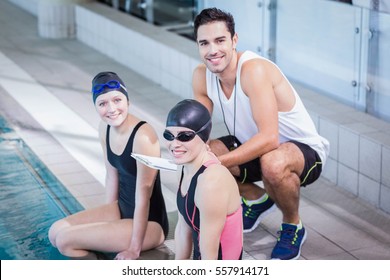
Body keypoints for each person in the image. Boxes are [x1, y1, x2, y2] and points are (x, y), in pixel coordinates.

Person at [192, 8, 330, 260]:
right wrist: (183, 146)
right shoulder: (202, 76)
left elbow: (269, 138)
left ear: (234, 40)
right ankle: (256, 199)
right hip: (254, 147)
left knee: (271, 162)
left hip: (300, 151)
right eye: (205, 43)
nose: (213, 50)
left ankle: (292, 225)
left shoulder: (253, 70)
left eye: (220, 40)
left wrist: (216, 164)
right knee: (203, 151)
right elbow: (197, 134)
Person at [48, 71, 169, 260]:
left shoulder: (143, 137)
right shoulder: (104, 128)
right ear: (96, 107)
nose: (111, 109)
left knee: (65, 241)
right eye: (102, 104)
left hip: (149, 224)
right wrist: (107, 224)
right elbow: (112, 175)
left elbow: (144, 195)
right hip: (121, 210)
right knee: (55, 232)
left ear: (127, 101)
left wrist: (134, 249)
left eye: (117, 100)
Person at [164, 99, 243, 260]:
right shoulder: (187, 166)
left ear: (204, 137)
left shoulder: (211, 182)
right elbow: (182, 228)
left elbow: (209, 250)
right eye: (169, 135)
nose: (174, 144)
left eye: (184, 136)